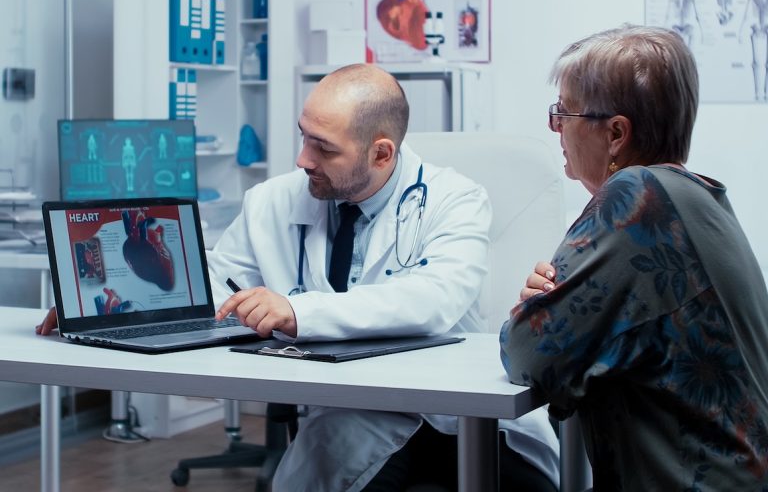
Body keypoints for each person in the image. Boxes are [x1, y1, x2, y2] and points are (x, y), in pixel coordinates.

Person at [38, 64, 559, 491]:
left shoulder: (454, 199)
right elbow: (216, 285)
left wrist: (297, 310)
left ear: (381, 153)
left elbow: (436, 299)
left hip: (458, 417)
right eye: (303, 137)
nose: (302, 159)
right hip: (354, 415)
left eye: (323, 148)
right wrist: (118, 304)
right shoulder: (272, 201)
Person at [500, 25, 768, 491]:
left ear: (616, 133)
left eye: (563, 112)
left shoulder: (637, 196)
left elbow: (528, 353)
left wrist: (534, 310)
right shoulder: (698, 196)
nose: (554, 127)